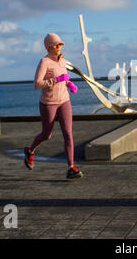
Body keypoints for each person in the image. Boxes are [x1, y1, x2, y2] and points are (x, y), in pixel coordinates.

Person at [24, 33, 83, 179]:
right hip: (48, 103)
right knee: (47, 134)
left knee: (68, 134)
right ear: (48, 46)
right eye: (56, 45)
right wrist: (56, 80)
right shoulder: (44, 62)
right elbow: (37, 84)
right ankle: (30, 150)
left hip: (64, 101)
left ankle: (71, 168)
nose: (59, 47)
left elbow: (64, 77)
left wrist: (69, 84)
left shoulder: (62, 61)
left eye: (60, 45)